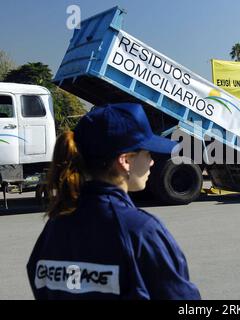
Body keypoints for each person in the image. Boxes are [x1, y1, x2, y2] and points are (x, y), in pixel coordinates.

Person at [27, 103, 201, 300]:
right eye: (148, 153)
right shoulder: (140, 230)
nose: (152, 161)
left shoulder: (55, 225)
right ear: (125, 160)